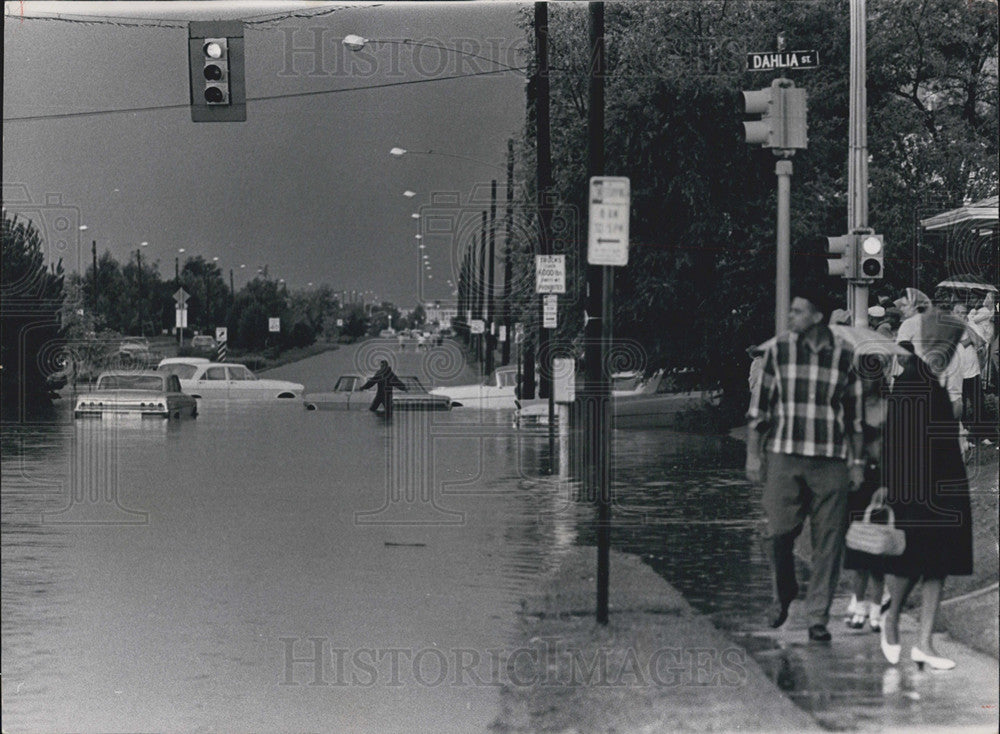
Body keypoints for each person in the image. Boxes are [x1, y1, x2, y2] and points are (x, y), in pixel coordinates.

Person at [746, 289, 865, 642]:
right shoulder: (777, 352)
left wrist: (856, 463)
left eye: (797, 311)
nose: (790, 317)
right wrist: (754, 454)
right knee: (779, 533)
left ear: (816, 317)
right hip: (785, 455)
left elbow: (855, 415)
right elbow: (759, 409)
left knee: (829, 540)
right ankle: (784, 592)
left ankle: (818, 618)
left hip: (831, 460)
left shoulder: (845, 355)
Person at [880, 313, 973, 670]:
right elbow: (897, 442)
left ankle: (924, 643)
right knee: (915, 560)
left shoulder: (928, 381)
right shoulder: (911, 383)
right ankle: (893, 622)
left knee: (939, 563)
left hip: (944, 481)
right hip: (919, 487)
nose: (949, 352)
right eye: (946, 345)